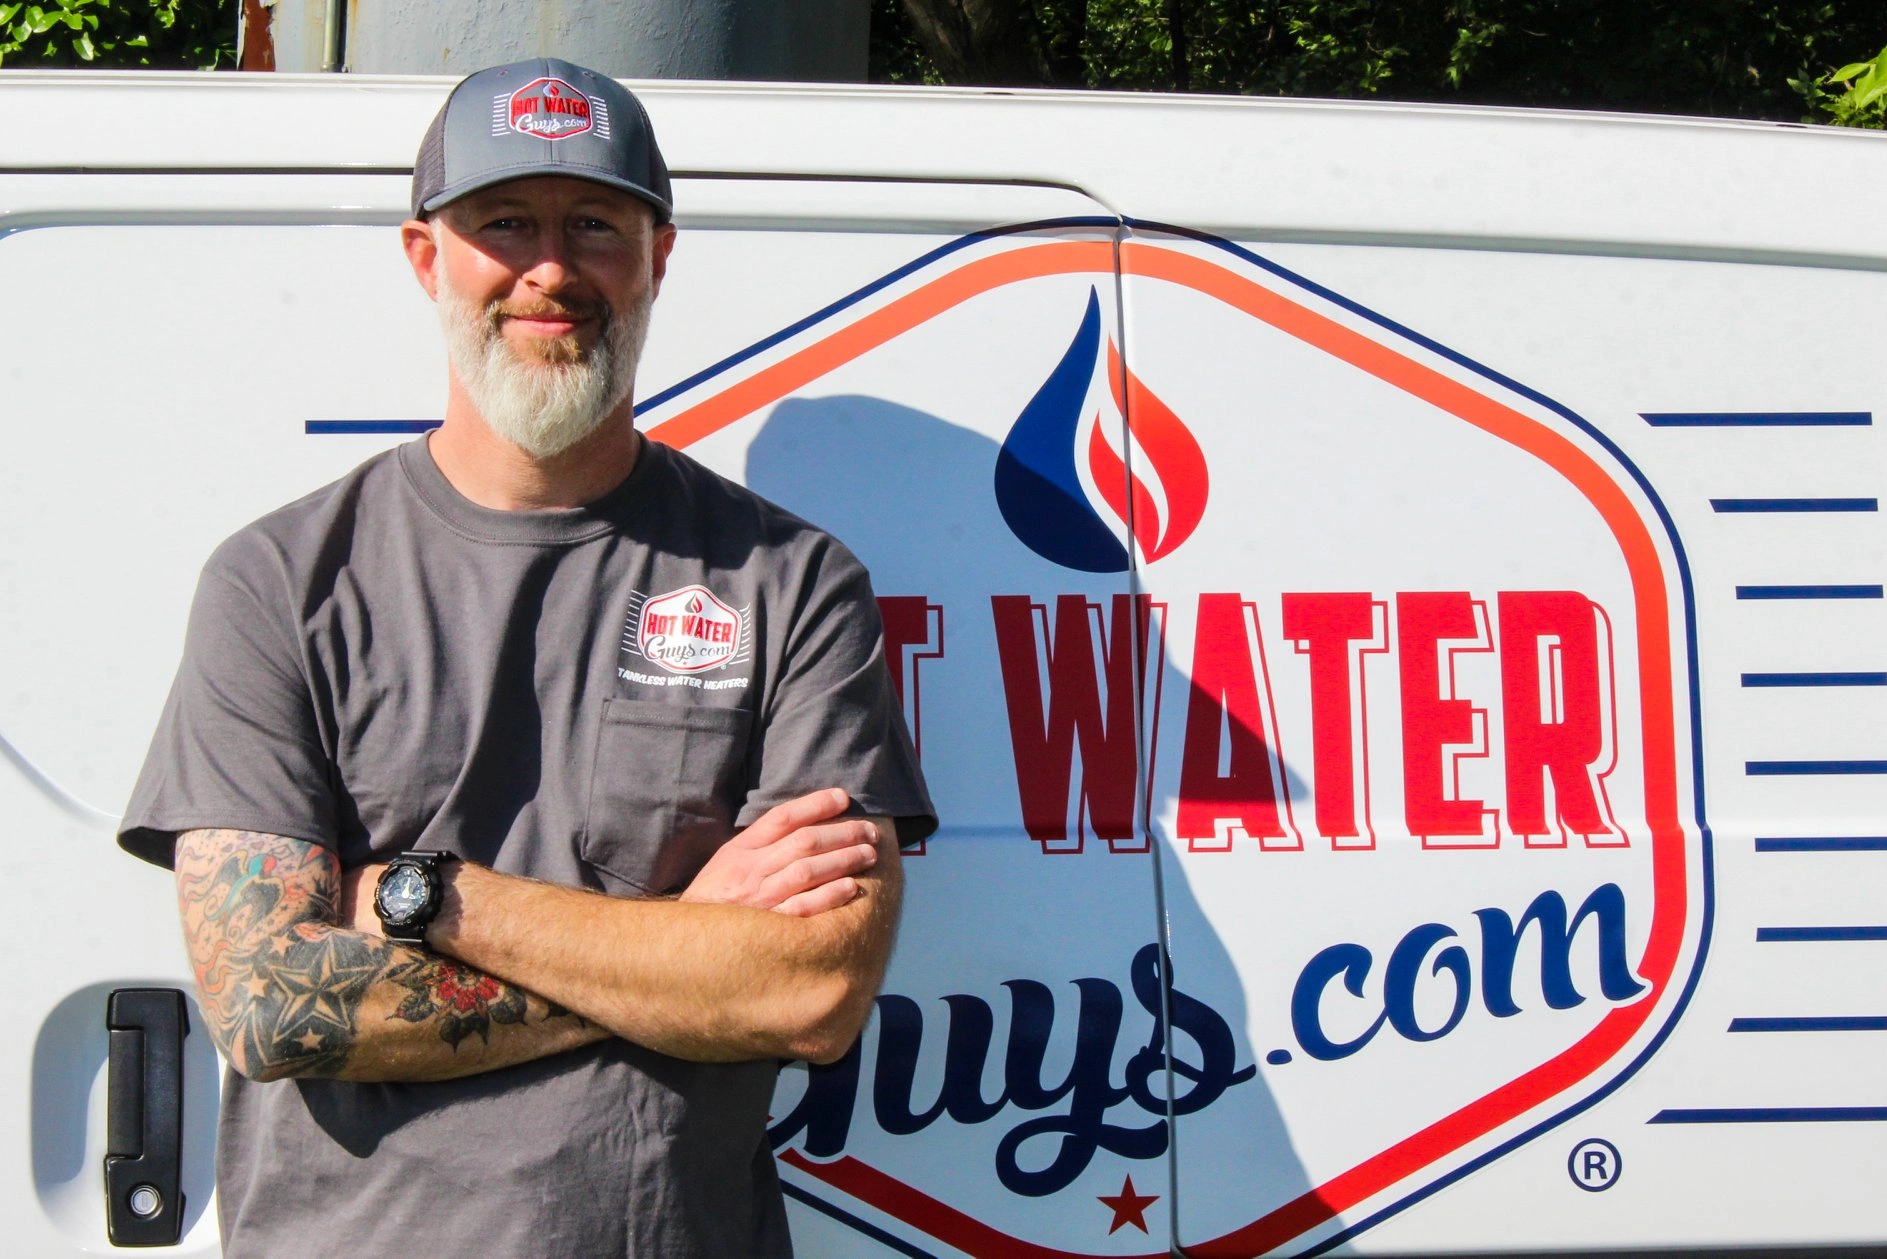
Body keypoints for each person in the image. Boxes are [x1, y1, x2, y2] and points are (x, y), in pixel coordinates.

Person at [117, 57, 935, 1257]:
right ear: (424, 256)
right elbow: (269, 1000)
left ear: (658, 257)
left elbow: (810, 987)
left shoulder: (790, 582)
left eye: (595, 224)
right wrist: (684, 953)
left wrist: (428, 898)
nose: (551, 266)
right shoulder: (280, 581)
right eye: (504, 221)